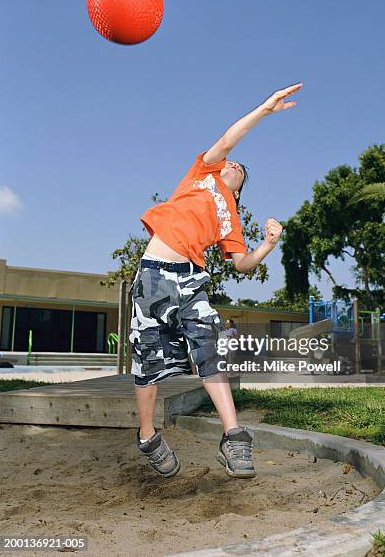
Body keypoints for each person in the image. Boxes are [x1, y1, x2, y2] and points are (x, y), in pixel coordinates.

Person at [129, 82, 302, 479]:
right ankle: (147, 434)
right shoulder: (202, 174)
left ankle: (234, 437)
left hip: (191, 281)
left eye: (242, 169)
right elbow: (229, 137)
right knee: (148, 359)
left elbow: (242, 263)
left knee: (210, 352)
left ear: (239, 195)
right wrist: (264, 109)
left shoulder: (232, 217)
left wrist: (269, 243)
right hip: (155, 273)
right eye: (232, 162)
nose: (235, 164)